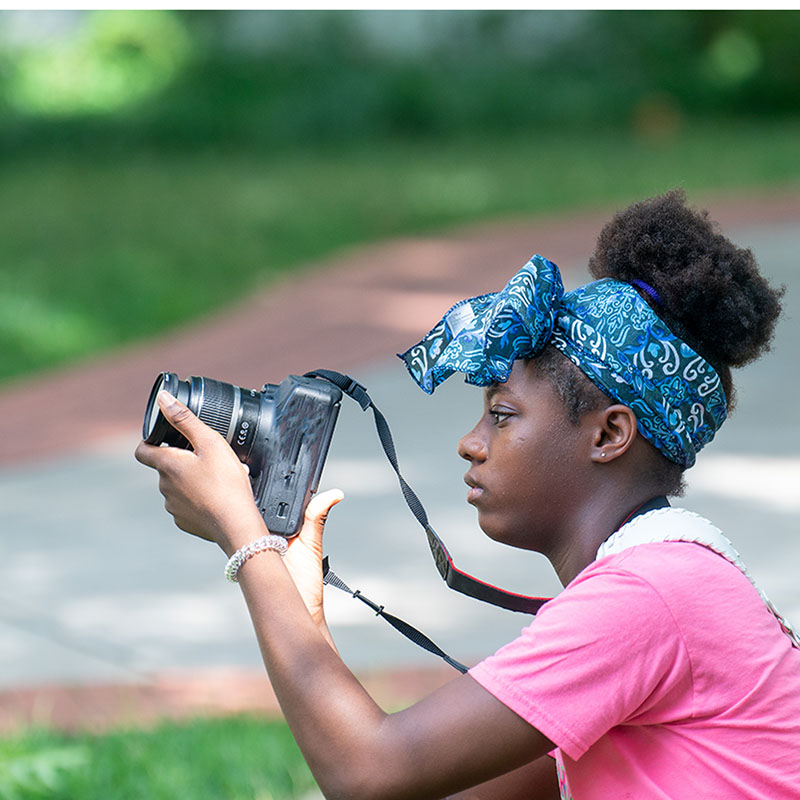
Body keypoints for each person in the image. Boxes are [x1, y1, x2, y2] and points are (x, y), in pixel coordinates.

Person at [136, 190, 800, 800]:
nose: (471, 443)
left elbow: (371, 773)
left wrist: (245, 537)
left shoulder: (653, 597)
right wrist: (298, 605)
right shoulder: (664, 587)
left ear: (610, 434)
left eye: (502, 415)